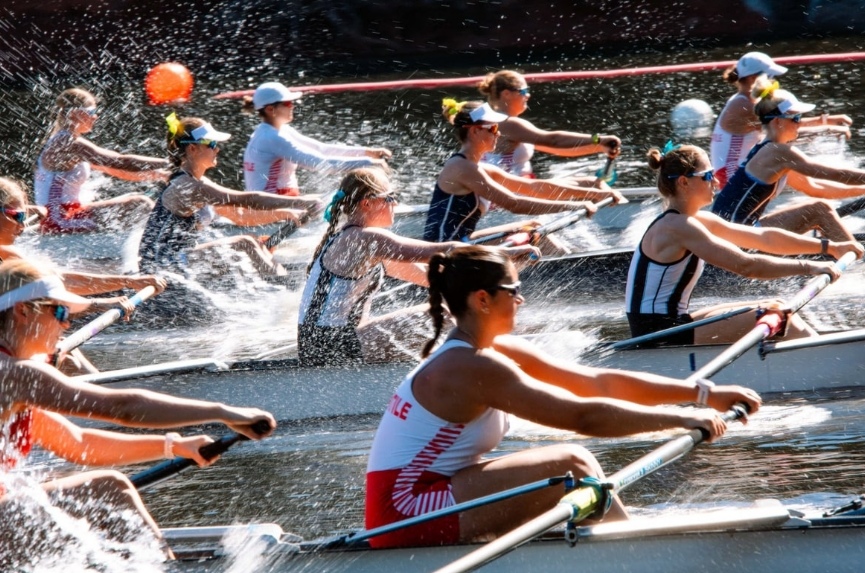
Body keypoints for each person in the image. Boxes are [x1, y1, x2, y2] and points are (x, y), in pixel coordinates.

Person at [364, 245, 762, 548]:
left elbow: (596, 383)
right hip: (404, 513)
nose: (521, 299)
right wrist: (681, 419)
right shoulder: (470, 367)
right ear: (482, 299)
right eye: (513, 290)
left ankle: (615, 544)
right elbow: (582, 418)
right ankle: (635, 555)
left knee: (570, 471)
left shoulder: (491, 350)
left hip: (435, 492)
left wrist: (703, 393)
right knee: (571, 465)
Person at [0, 258, 276, 563]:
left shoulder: (16, 378)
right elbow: (124, 408)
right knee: (109, 489)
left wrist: (175, 445)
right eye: (60, 312)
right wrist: (223, 412)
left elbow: (78, 444)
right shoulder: (14, 374)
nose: (66, 325)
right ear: (23, 311)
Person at [626, 143, 863, 346]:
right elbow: (746, 266)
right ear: (683, 182)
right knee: (778, 316)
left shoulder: (696, 220)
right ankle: (825, 359)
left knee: (777, 306)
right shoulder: (677, 227)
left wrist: (829, 247)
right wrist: (810, 266)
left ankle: (804, 358)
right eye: (707, 176)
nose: (716, 181)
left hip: (671, 323)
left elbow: (764, 238)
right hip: (657, 334)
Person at [298, 167, 539, 366]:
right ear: (367, 204)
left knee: (449, 313)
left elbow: (433, 279)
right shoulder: (364, 239)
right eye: (390, 197)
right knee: (441, 314)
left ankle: (476, 362)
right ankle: (489, 369)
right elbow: (443, 250)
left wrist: (496, 272)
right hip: (328, 348)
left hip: (325, 344)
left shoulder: (360, 243)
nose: (395, 203)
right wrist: (502, 254)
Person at [137, 114, 318, 278]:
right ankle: (283, 286)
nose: (217, 149)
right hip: (161, 268)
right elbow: (246, 200)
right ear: (192, 149)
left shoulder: (199, 183)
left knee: (253, 243)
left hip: (176, 260)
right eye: (212, 144)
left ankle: (280, 282)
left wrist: (285, 213)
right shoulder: (188, 186)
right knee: (245, 243)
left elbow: (240, 215)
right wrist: (301, 202)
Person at [423, 101, 623, 247]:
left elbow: (533, 188)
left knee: (533, 227)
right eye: (492, 128)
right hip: (443, 250)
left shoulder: (481, 168)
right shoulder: (462, 167)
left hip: (459, 242)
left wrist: (595, 194)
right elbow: (514, 203)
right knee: (531, 239)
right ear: (475, 131)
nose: (498, 133)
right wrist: (575, 205)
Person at [711, 80, 865, 242]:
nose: (800, 123)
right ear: (777, 121)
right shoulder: (777, 153)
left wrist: (862, 189)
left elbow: (816, 187)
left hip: (735, 231)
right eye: (796, 118)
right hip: (733, 237)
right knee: (820, 210)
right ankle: (851, 251)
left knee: (816, 210)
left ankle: (841, 251)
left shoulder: (771, 153)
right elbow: (834, 174)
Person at [34, 88, 167, 234]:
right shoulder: (67, 142)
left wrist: (160, 175)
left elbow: (119, 171)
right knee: (140, 204)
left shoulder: (64, 141)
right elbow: (120, 161)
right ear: (74, 113)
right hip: (58, 219)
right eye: (91, 112)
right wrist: (172, 162)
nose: (95, 116)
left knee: (131, 198)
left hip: (62, 215)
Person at [710, 52, 852, 187]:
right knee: (811, 184)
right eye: (771, 76)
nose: (773, 80)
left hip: (741, 166)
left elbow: (787, 123)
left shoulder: (745, 100)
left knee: (811, 185)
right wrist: (828, 127)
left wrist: (826, 121)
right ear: (753, 78)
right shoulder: (745, 105)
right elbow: (785, 126)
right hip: (730, 174)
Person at [243, 81, 391, 196]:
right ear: (270, 109)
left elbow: (321, 149)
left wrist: (368, 152)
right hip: (271, 207)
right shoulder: (272, 137)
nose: (292, 106)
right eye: (287, 103)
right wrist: (368, 163)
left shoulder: (279, 130)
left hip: (279, 201)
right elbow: (320, 163)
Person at [477, 70, 621, 177]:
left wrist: (600, 147)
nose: (528, 95)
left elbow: (558, 149)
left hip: (512, 189)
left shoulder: (497, 122)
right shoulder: (509, 124)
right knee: (586, 184)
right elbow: (554, 140)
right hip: (504, 198)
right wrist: (598, 139)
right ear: (506, 94)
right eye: (524, 91)